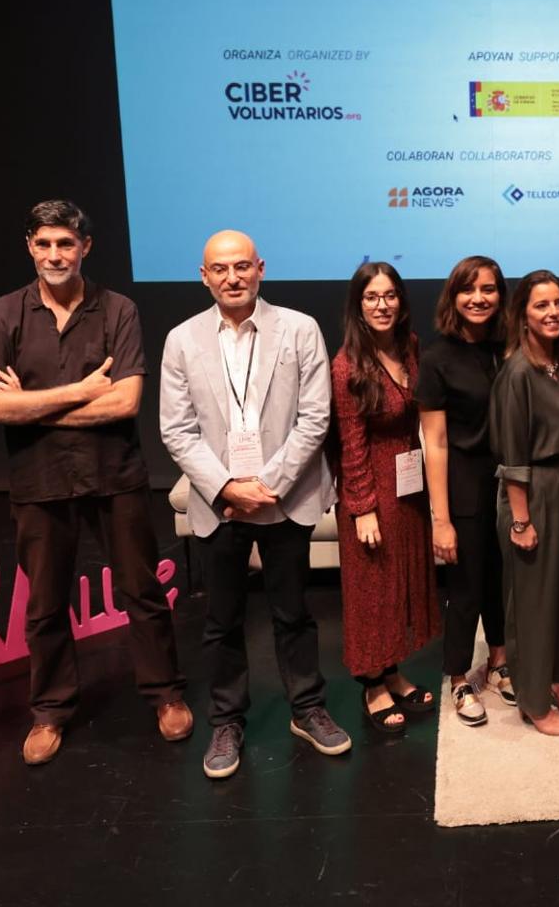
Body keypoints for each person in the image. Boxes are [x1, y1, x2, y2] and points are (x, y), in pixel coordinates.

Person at [0, 200, 190, 766]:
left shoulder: (118, 308)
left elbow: (125, 402)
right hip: (39, 481)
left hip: (114, 474)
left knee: (141, 592)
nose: (55, 255)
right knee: (45, 605)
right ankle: (49, 710)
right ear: (29, 245)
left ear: (85, 247)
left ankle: (165, 694)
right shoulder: (3, 314)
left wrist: (30, 404)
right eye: (44, 243)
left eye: (65, 244)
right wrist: (79, 392)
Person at [158, 230, 349, 776]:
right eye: (220, 269)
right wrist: (226, 487)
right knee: (221, 620)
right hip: (218, 502)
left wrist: (268, 484)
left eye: (242, 266)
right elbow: (177, 429)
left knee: (293, 612)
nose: (232, 277)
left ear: (260, 268)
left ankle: (307, 709)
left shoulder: (299, 329)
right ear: (204, 276)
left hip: (284, 498)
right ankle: (226, 721)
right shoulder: (182, 340)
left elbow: (315, 417)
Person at [332, 262, 440, 735]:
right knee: (372, 589)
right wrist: (362, 508)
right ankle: (371, 683)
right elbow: (349, 441)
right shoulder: (347, 365)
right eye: (372, 297)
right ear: (358, 305)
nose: (383, 305)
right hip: (371, 483)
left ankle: (392, 670)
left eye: (390, 295)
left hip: (408, 480)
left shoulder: (409, 347)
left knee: (399, 583)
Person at [489, 270, 559, 735]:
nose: (552, 313)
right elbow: (512, 456)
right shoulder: (518, 371)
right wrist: (521, 521)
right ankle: (532, 699)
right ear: (523, 316)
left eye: (558, 304)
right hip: (532, 494)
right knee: (533, 601)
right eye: (540, 306)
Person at [421, 256, 515, 725]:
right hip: (463, 484)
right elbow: (435, 443)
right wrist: (441, 518)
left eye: (489, 288)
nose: (479, 298)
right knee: (466, 587)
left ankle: (499, 660)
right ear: (453, 297)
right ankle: (458, 677)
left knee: (502, 580)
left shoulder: (510, 348)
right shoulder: (437, 357)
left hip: (509, 482)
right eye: (468, 289)